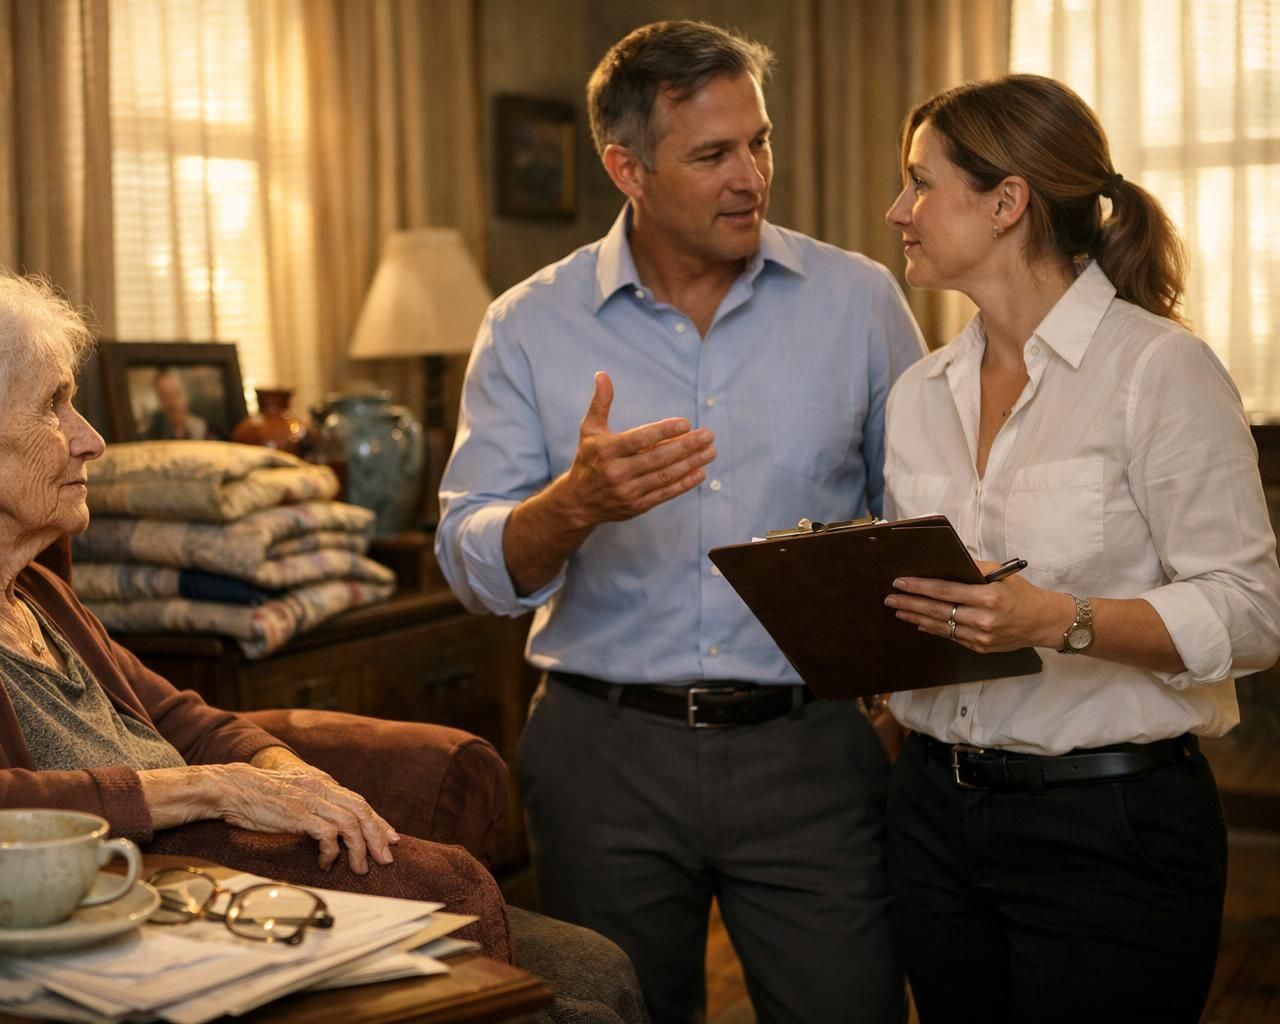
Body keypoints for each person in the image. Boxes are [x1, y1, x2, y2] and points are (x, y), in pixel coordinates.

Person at [0, 269, 520, 953]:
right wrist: (212, 790)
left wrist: (292, 780)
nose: (92, 440)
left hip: (207, 888)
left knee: (582, 965)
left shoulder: (36, 592)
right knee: (470, 901)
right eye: (53, 406)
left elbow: (184, 721)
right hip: (138, 908)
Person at [436, 20, 923, 1024]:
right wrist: (573, 505)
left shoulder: (860, 303)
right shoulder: (528, 324)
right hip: (603, 754)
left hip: (811, 752)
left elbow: (924, 524)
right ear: (628, 167)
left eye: (761, 141)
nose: (752, 175)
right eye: (713, 154)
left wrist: (894, 713)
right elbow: (470, 563)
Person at [880, 74, 1280, 1023]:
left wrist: (1060, 619)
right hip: (931, 814)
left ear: (1007, 201)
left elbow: (1254, 612)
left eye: (921, 183)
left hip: (1111, 828)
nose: (899, 211)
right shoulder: (918, 393)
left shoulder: (1158, 370)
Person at [142, 368, 210, 440]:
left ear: (186, 396)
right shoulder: (153, 436)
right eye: (165, 397)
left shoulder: (204, 430)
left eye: (176, 394)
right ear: (159, 402)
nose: (173, 403)